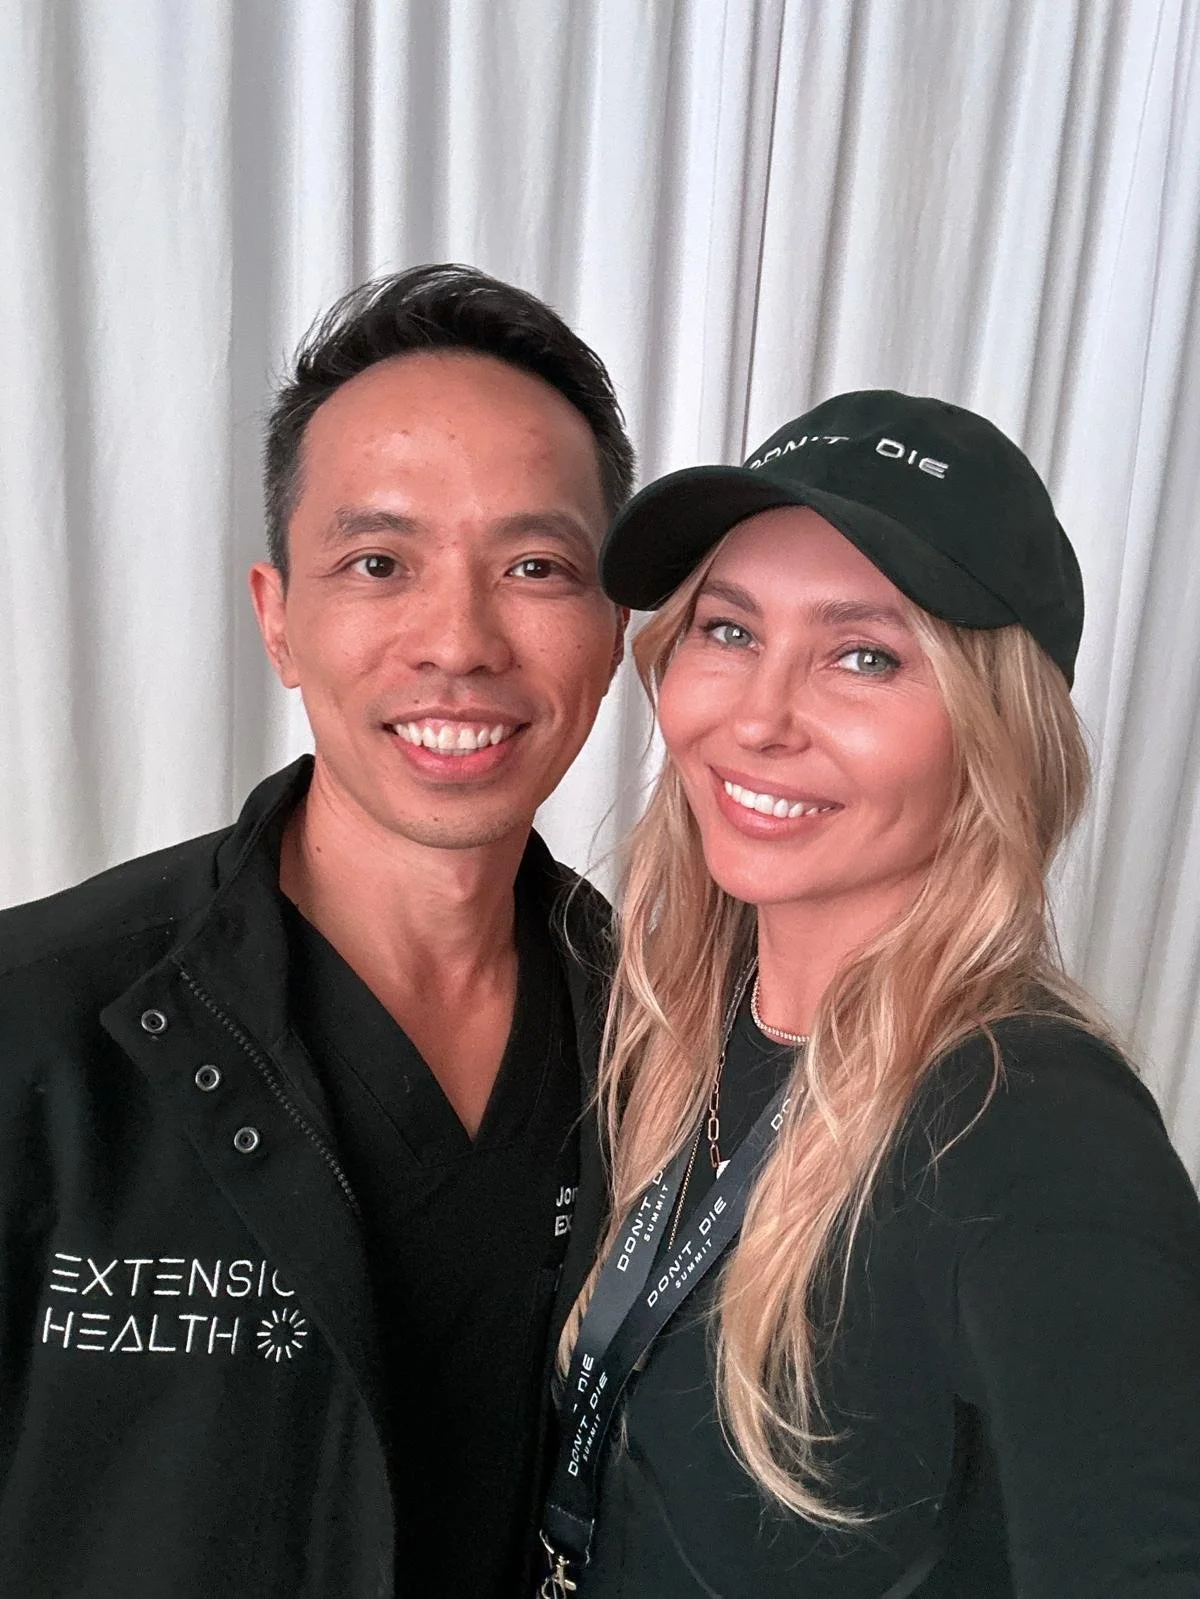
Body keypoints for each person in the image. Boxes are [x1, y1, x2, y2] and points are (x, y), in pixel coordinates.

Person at [0, 264, 632, 1599]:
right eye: (379, 562)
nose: (458, 640)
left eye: (535, 564)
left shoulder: (676, 1046)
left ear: (611, 626)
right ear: (279, 616)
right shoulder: (33, 1029)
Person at [540, 390, 1200, 1598]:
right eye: (728, 631)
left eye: (864, 656)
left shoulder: (1034, 1130)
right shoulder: (677, 1024)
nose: (758, 717)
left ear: (995, 729)